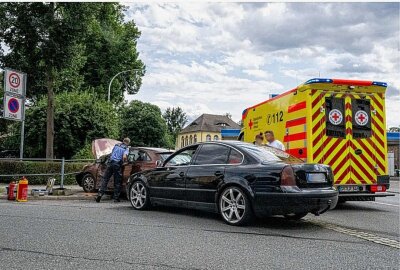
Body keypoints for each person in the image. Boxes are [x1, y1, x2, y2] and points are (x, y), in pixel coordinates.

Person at [96, 138, 130, 203]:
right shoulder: (126, 148)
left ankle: (100, 194)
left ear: (123, 141)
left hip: (110, 163)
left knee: (105, 179)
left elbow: (112, 153)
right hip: (117, 165)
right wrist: (125, 162)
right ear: (128, 143)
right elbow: (124, 157)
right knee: (117, 181)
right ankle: (116, 198)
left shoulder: (116, 145)